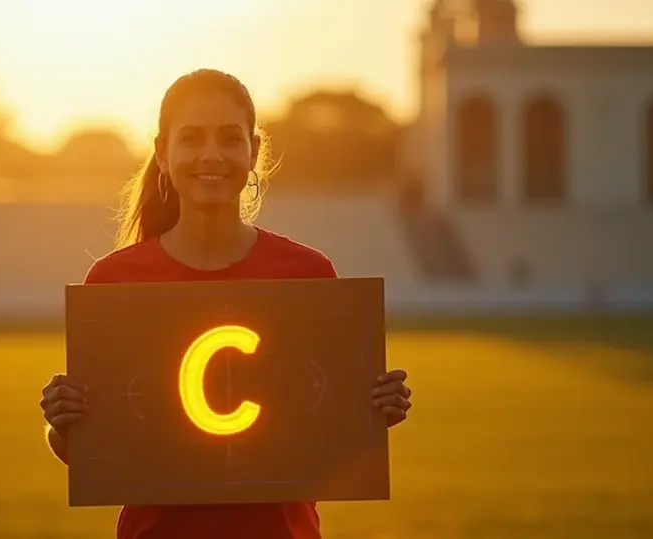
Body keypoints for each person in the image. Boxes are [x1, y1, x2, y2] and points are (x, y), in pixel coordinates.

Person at [39, 69, 413, 539]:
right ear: (162, 152)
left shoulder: (308, 275)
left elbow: (324, 431)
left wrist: (374, 409)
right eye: (191, 138)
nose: (210, 155)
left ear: (253, 151)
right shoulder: (115, 282)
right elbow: (100, 449)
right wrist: (63, 420)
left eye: (229, 139)